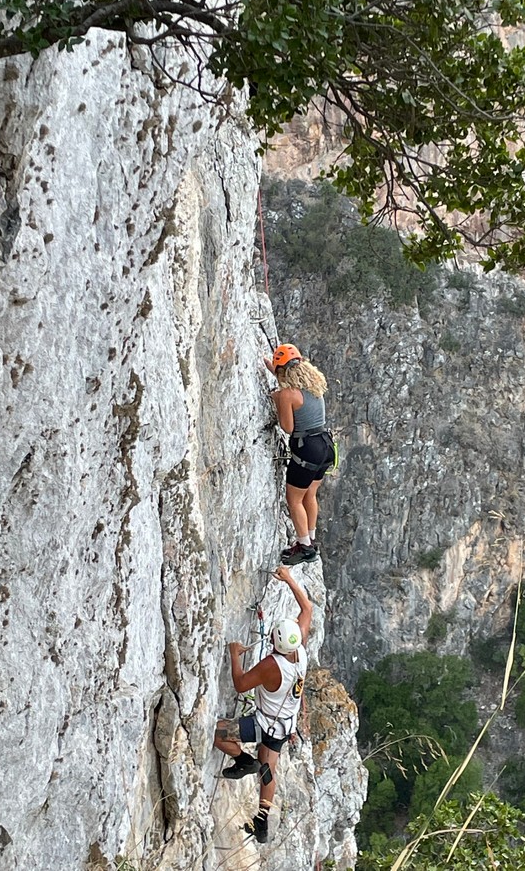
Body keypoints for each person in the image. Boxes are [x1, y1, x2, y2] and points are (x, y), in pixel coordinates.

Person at [213, 565, 312, 844]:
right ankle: (262, 821)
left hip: (265, 724)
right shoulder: (300, 649)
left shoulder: (272, 665)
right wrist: (289, 579)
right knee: (268, 769)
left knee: (217, 733)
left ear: (276, 641)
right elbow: (307, 609)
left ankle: (243, 760)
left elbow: (241, 684)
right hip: (284, 726)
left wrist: (235, 656)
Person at [264, 343, 334, 565]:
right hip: (326, 446)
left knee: (294, 500)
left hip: (307, 450)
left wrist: (277, 399)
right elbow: (297, 396)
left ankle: (305, 548)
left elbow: (287, 427)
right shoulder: (314, 385)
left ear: (281, 372)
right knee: (309, 495)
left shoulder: (286, 394)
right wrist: (273, 371)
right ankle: (310, 539)